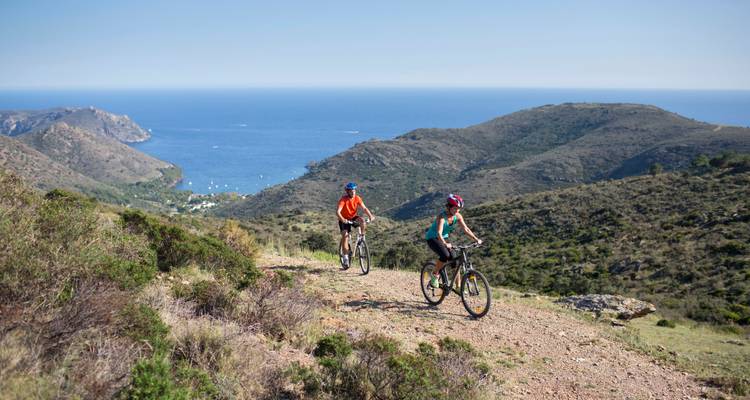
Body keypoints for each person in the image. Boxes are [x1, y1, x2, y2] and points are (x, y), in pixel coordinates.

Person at [425, 193, 481, 288]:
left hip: (444, 237)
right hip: (432, 237)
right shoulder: (442, 217)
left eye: (458, 209)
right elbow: (439, 233)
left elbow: (466, 229)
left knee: (455, 261)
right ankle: (434, 275)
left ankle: (458, 287)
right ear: (448, 207)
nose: (457, 211)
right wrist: (445, 244)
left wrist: (476, 239)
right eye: (455, 208)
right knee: (445, 255)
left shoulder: (458, 216)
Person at [337, 182, 375, 267]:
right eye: (351, 191)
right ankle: (345, 257)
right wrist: (342, 219)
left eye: (354, 190)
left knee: (362, 221)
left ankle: (362, 238)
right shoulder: (343, 199)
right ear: (347, 191)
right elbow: (338, 212)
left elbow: (364, 208)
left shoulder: (357, 198)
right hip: (344, 219)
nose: (353, 192)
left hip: (353, 217)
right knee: (345, 235)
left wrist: (370, 216)